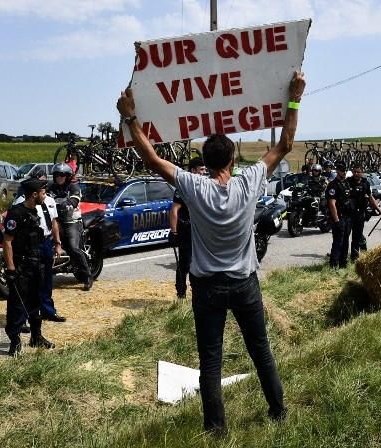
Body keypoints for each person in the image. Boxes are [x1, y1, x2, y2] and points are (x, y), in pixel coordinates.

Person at [116, 70, 305, 434]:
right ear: (232, 160)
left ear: (205, 159)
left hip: (206, 287)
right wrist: (294, 97)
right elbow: (284, 145)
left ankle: (216, 429)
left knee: (211, 360)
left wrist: (129, 116)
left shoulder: (193, 186)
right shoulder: (250, 182)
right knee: (260, 350)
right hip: (244, 283)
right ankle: (278, 411)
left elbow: (153, 160)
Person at [2, 177, 56, 356]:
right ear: (34, 194)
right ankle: (15, 341)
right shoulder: (16, 213)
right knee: (17, 304)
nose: (45, 195)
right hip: (21, 266)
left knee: (36, 301)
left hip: (36, 263)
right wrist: (10, 269)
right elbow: (7, 242)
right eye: (42, 192)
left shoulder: (37, 210)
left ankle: (36, 336)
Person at [13, 182, 65, 323]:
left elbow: (54, 223)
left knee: (46, 279)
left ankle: (48, 311)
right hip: (29, 245)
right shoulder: (21, 202)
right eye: (42, 189)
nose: (44, 192)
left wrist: (57, 243)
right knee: (26, 283)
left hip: (46, 242)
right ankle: (22, 318)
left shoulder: (49, 201)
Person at [47, 163, 95, 290]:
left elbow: (74, 200)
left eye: (62, 175)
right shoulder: (51, 188)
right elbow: (42, 198)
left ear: (67, 176)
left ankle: (87, 277)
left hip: (72, 222)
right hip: (56, 221)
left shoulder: (73, 187)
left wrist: (69, 203)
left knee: (73, 248)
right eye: (57, 174)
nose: (59, 177)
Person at [169, 157, 206, 299]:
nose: (203, 172)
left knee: (200, 263)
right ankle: (181, 293)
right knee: (185, 263)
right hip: (186, 229)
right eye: (201, 170)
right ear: (193, 170)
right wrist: (174, 232)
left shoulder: (204, 185)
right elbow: (174, 210)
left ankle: (197, 293)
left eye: (205, 169)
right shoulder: (183, 187)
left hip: (200, 230)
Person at [346, 164, 381, 260]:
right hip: (348, 214)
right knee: (344, 236)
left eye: (358, 172)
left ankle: (354, 258)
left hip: (360, 214)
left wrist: (379, 211)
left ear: (362, 173)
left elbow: (371, 198)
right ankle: (342, 257)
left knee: (357, 237)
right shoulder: (347, 182)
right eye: (354, 171)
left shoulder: (365, 183)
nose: (356, 173)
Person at [326, 160, 353, 267]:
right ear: (337, 171)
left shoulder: (345, 183)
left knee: (346, 241)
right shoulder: (333, 185)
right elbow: (332, 204)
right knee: (338, 242)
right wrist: (336, 220)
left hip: (347, 217)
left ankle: (343, 263)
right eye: (342, 170)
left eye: (345, 170)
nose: (344, 172)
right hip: (339, 217)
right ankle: (333, 265)